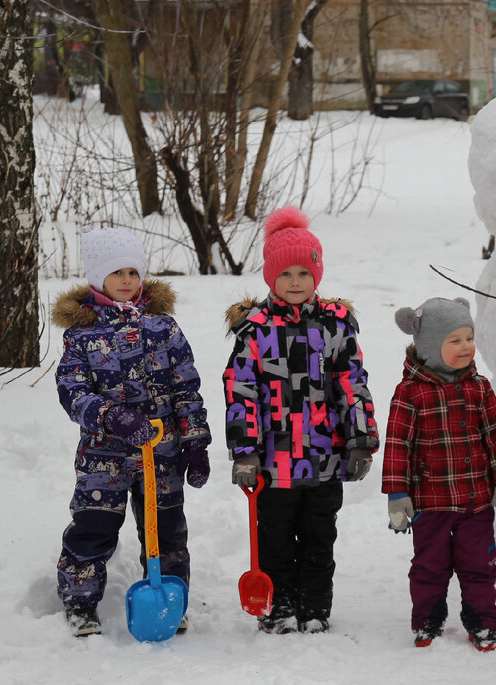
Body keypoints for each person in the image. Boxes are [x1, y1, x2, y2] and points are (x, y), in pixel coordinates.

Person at [223, 207, 378, 634]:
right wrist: (244, 452)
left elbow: (352, 383)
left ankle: (314, 608)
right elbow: (241, 391)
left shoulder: (334, 325)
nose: (295, 282)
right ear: (271, 277)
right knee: (274, 539)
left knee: (318, 538)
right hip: (272, 463)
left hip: (324, 458)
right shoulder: (254, 330)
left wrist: (360, 440)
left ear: (317, 276)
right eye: (286, 273)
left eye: (304, 273)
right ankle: (279, 608)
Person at [53, 226, 211, 637]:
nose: (126, 281)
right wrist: (111, 416)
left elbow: (186, 387)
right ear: (98, 279)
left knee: (168, 532)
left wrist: (195, 441)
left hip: (162, 455)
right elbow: (72, 392)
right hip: (104, 457)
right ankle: (80, 603)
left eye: (133, 272)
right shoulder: (82, 335)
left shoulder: (164, 328)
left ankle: (170, 603)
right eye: (116, 273)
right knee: (93, 528)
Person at [382, 297, 496, 651]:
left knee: (480, 567)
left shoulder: (479, 387)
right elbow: (398, 445)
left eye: (469, 338)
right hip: (430, 502)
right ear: (429, 346)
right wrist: (397, 495)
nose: (467, 347)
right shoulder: (410, 392)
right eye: (455, 340)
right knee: (429, 567)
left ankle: (483, 621)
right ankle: (428, 619)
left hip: (475, 502)